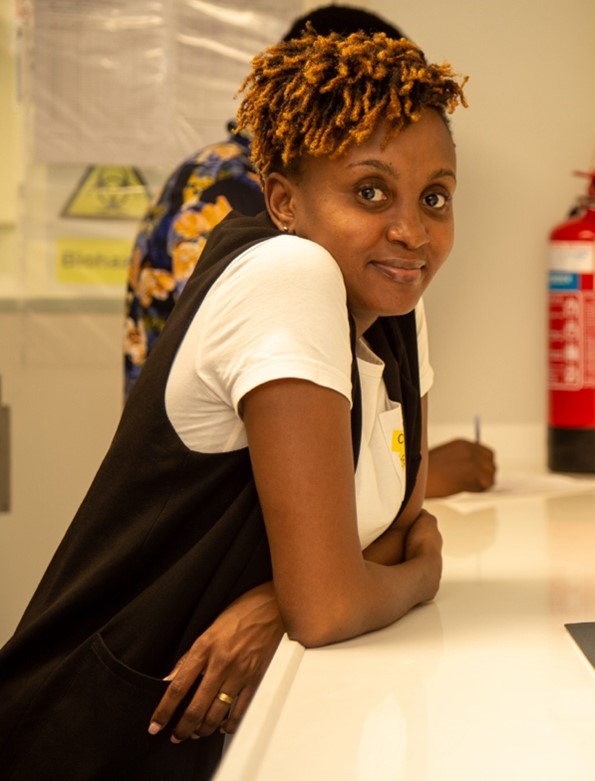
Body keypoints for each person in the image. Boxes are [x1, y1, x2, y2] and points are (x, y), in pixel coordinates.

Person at [0, 31, 467, 780]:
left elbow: (398, 520)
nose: (412, 230)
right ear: (284, 199)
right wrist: (418, 575)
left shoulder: (395, 304)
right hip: (91, 737)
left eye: (434, 196)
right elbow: (341, 597)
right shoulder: (291, 273)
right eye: (370, 191)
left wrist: (277, 601)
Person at [123, 4, 494, 498]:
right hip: (208, 503)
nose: (411, 232)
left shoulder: (233, 175)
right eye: (369, 191)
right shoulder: (227, 192)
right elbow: (262, 372)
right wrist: (417, 481)